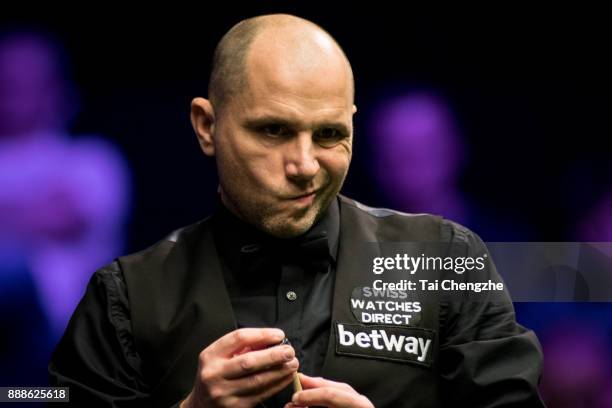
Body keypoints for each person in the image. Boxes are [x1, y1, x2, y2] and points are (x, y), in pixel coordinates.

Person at [49, 14, 544, 407]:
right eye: (273, 130)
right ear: (206, 126)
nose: (305, 165)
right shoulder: (126, 296)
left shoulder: (447, 259)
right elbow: (27, 397)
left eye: (329, 134)